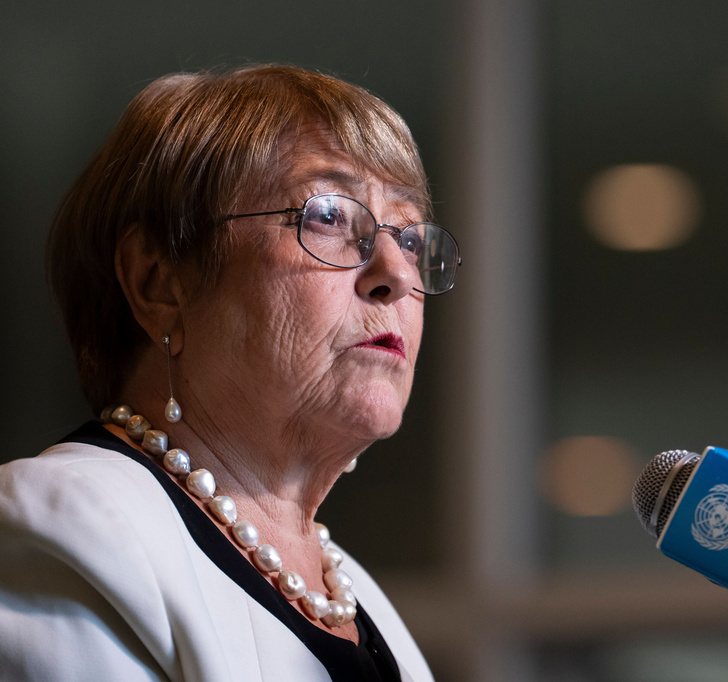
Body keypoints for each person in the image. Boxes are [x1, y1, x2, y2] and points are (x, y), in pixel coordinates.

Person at [0, 64, 459, 681]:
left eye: (409, 238)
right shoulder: (70, 526)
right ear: (160, 281)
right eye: (327, 215)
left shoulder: (362, 600)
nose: (397, 274)